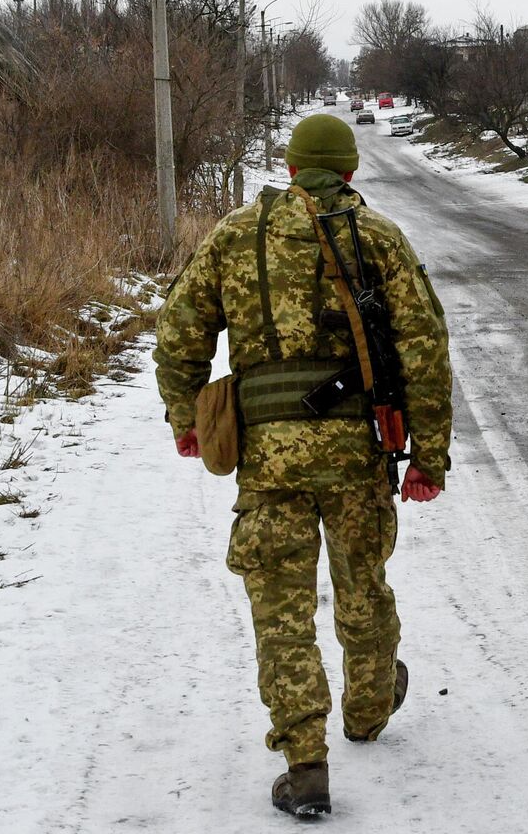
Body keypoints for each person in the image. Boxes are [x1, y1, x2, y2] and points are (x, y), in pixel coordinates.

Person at [154, 113, 452, 819]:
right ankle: (369, 709)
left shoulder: (235, 234)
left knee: (280, 605)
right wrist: (428, 458)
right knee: (363, 584)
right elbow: (425, 350)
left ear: (289, 169)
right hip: (357, 450)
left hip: (268, 456)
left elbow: (178, 334)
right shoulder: (376, 236)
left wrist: (185, 420)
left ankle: (306, 763)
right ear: (350, 171)